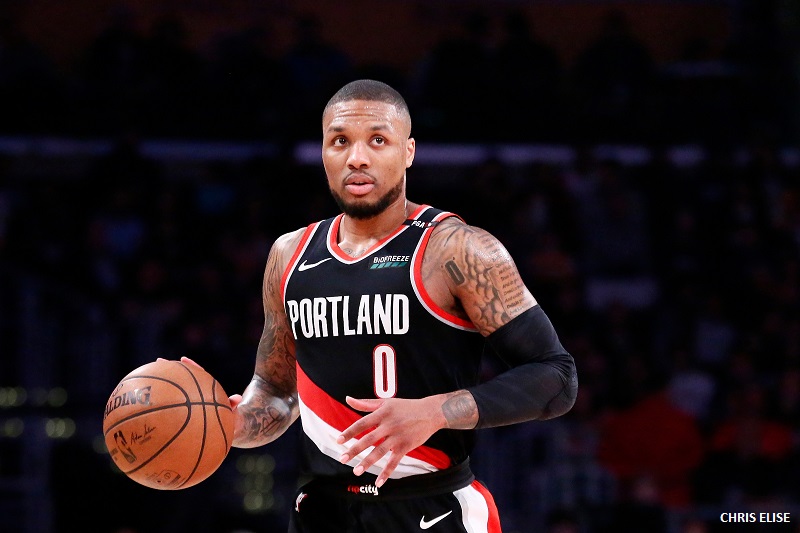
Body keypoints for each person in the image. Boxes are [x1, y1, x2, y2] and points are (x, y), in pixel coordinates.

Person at [225, 78, 578, 532]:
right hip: (321, 511)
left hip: (431, 507)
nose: (357, 157)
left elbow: (557, 378)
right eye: (340, 141)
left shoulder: (458, 250)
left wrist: (435, 411)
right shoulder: (289, 254)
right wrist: (234, 425)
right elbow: (276, 388)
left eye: (378, 140)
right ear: (324, 153)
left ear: (408, 151)